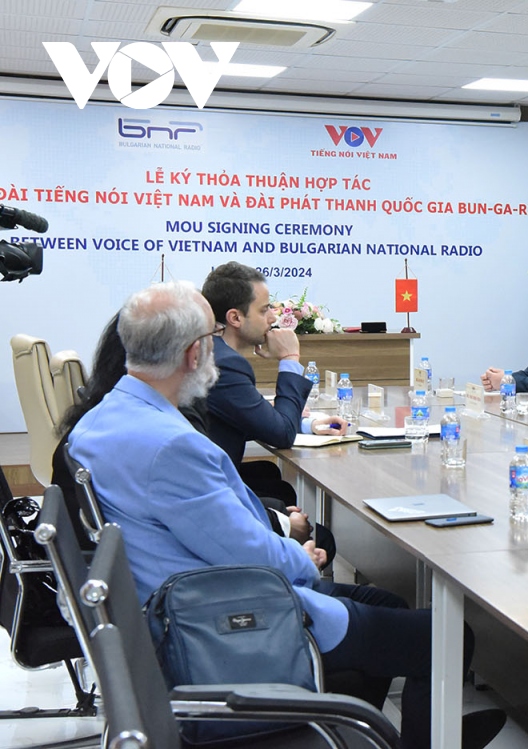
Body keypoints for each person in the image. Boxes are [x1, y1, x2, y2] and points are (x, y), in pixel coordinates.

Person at [66, 282, 505, 749]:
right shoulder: (170, 446)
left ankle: (349, 726)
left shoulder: (99, 420)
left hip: (180, 599)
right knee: (445, 635)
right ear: (194, 354)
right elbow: (249, 552)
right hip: (225, 616)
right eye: (211, 338)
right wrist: (302, 557)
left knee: (388, 606)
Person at [51, 314, 331, 562]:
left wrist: (273, 516)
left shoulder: (102, 415)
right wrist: (285, 531)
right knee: (322, 543)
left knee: (271, 481)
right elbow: (216, 528)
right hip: (197, 578)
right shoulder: (169, 439)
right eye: (208, 338)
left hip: (122, 565)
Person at [201, 262, 346, 496]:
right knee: (278, 492)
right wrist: (289, 358)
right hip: (212, 489)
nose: (272, 318)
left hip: (210, 475)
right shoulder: (225, 364)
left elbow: (245, 419)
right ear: (235, 317)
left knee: (270, 477)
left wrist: (306, 424)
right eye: (264, 310)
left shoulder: (213, 351)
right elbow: (281, 435)